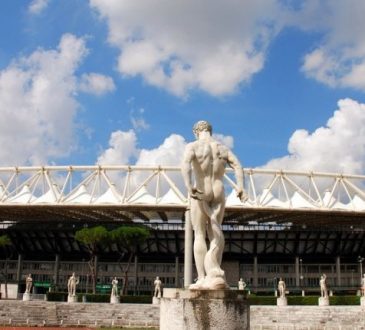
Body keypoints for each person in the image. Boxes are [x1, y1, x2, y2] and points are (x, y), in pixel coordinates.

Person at [182, 120, 248, 290]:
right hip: (219, 191)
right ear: (210, 131)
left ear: (196, 131)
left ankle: (203, 278)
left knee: (199, 233)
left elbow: (185, 165)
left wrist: (189, 185)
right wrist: (240, 186)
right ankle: (216, 274)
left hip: (201, 190)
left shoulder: (193, 146)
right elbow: (238, 166)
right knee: (215, 232)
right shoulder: (222, 148)